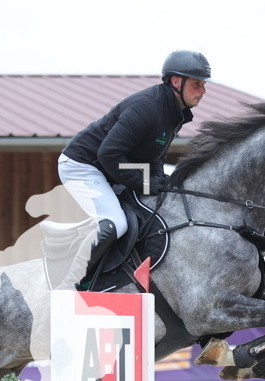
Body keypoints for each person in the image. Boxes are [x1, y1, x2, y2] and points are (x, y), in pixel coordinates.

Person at [54, 50, 211, 284]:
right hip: (82, 166)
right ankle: (70, 280)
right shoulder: (147, 108)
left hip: (109, 167)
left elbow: (155, 153)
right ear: (176, 82)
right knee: (115, 223)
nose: (203, 91)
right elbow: (108, 154)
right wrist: (145, 181)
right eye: (197, 84)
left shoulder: (173, 112)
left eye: (203, 84)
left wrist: (158, 180)